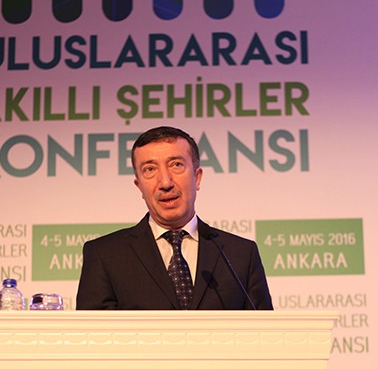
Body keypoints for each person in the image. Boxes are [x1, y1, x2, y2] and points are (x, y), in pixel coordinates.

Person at [75, 126, 273, 310]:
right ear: (139, 186)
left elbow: (264, 331)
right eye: (150, 169)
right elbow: (92, 333)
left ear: (197, 177)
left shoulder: (240, 255)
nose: (165, 182)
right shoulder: (105, 255)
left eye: (176, 165)